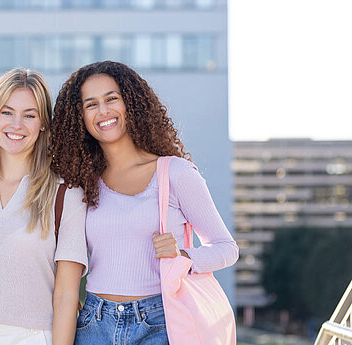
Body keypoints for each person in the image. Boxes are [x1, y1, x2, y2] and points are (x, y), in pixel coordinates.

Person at [50, 61, 239, 345]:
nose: (103, 111)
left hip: (160, 323)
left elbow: (227, 248)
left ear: (132, 103)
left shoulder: (175, 173)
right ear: (80, 118)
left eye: (112, 99)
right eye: (91, 105)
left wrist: (185, 256)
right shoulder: (81, 182)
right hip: (94, 324)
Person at [0, 68, 88, 345]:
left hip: (33, 337)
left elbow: (66, 296)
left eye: (29, 115)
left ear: (42, 125)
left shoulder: (64, 194)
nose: (16, 124)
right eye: (6, 112)